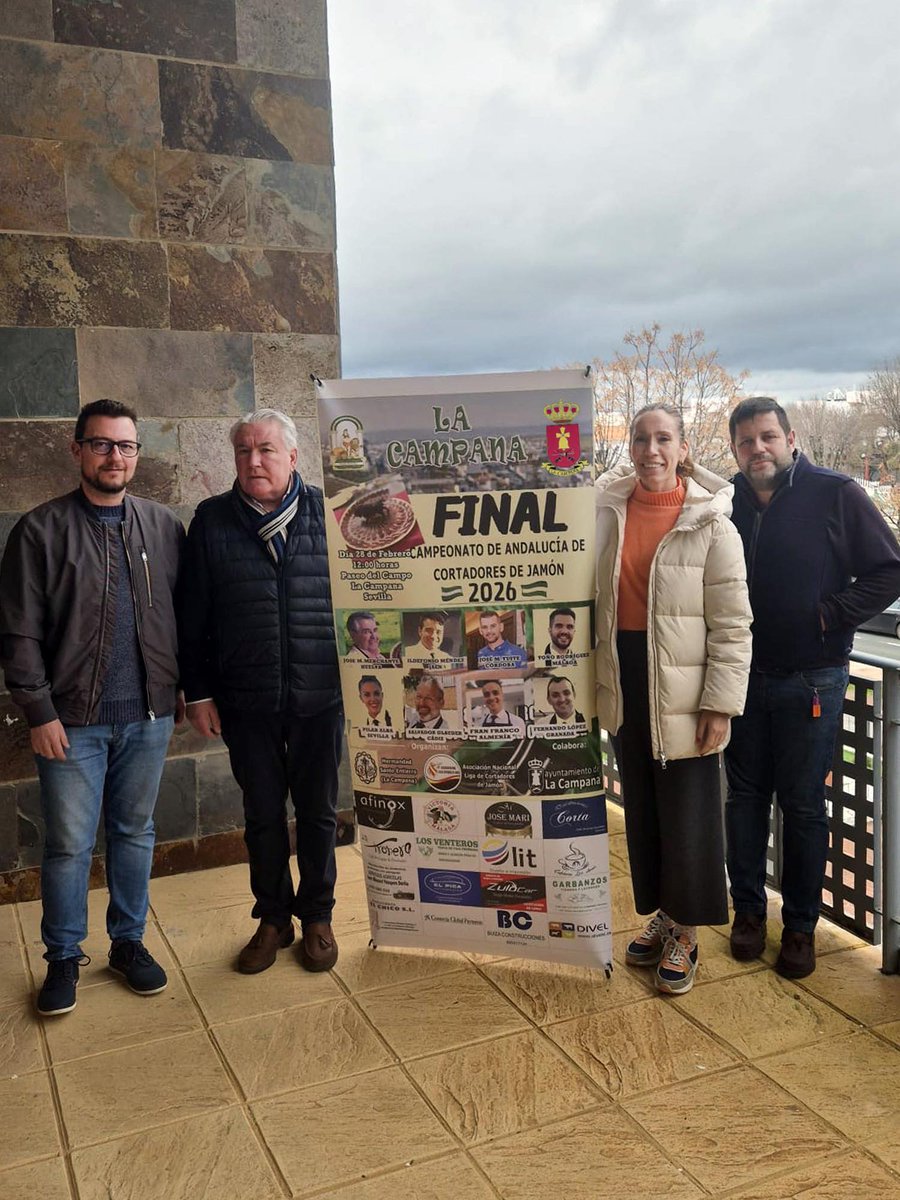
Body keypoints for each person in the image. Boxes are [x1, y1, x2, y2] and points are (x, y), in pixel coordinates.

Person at [0, 399, 183, 1016]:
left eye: (126, 446)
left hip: (148, 718)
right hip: (71, 723)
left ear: (138, 454)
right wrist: (39, 711)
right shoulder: (39, 530)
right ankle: (62, 957)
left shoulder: (162, 526)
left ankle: (128, 943)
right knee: (70, 844)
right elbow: (18, 632)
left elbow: (183, 617)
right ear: (77, 450)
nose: (115, 456)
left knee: (135, 834)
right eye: (102, 444)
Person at [725, 397, 900, 978]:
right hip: (741, 678)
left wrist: (829, 616)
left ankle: (800, 927)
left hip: (813, 680)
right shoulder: (725, 503)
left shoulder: (835, 493)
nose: (758, 449)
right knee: (744, 802)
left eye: (768, 437)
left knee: (802, 807)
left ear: (791, 438)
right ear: (734, 449)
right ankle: (748, 913)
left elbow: (890, 569)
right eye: (746, 441)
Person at [178, 409, 343, 976]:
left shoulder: (331, 514)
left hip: (321, 696)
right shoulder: (212, 520)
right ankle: (274, 917)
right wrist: (197, 692)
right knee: (262, 814)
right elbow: (192, 615)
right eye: (244, 451)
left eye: (266, 450)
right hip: (246, 700)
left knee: (319, 811)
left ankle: (318, 914)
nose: (254, 461)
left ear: (293, 457)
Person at [595, 403, 752, 995]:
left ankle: (687, 933)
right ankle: (663, 913)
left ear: (683, 448)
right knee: (644, 807)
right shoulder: (606, 513)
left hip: (686, 688)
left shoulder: (713, 524)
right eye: (641, 439)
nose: (651, 450)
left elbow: (734, 626)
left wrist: (720, 702)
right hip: (626, 680)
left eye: (664, 439)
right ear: (630, 448)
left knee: (690, 812)